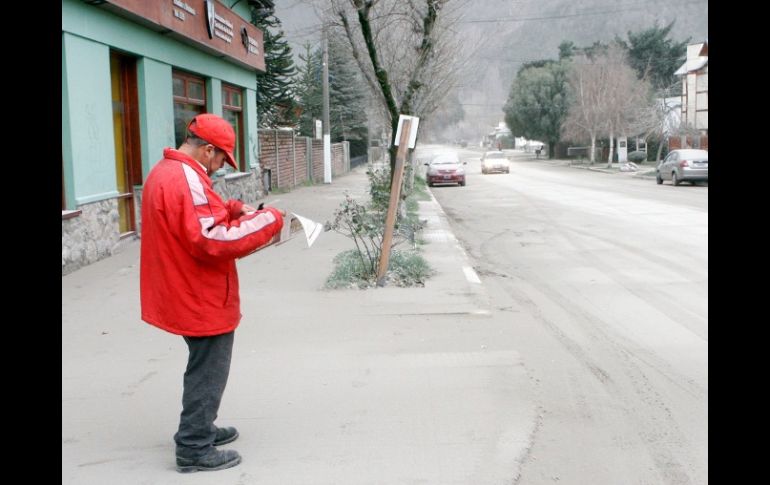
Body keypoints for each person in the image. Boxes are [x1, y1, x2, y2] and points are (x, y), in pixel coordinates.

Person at [140, 113, 285, 473]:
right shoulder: (186, 177)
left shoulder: (167, 170)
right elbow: (210, 237)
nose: (221, 167)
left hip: (184, 287)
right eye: (222, 159)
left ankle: (200, 428)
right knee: (209, 371)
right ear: (208, 150)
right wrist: (269, 220)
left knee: (202, 365)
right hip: (198, 294)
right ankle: (193, 447)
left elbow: (199, 217)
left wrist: (234, 209)